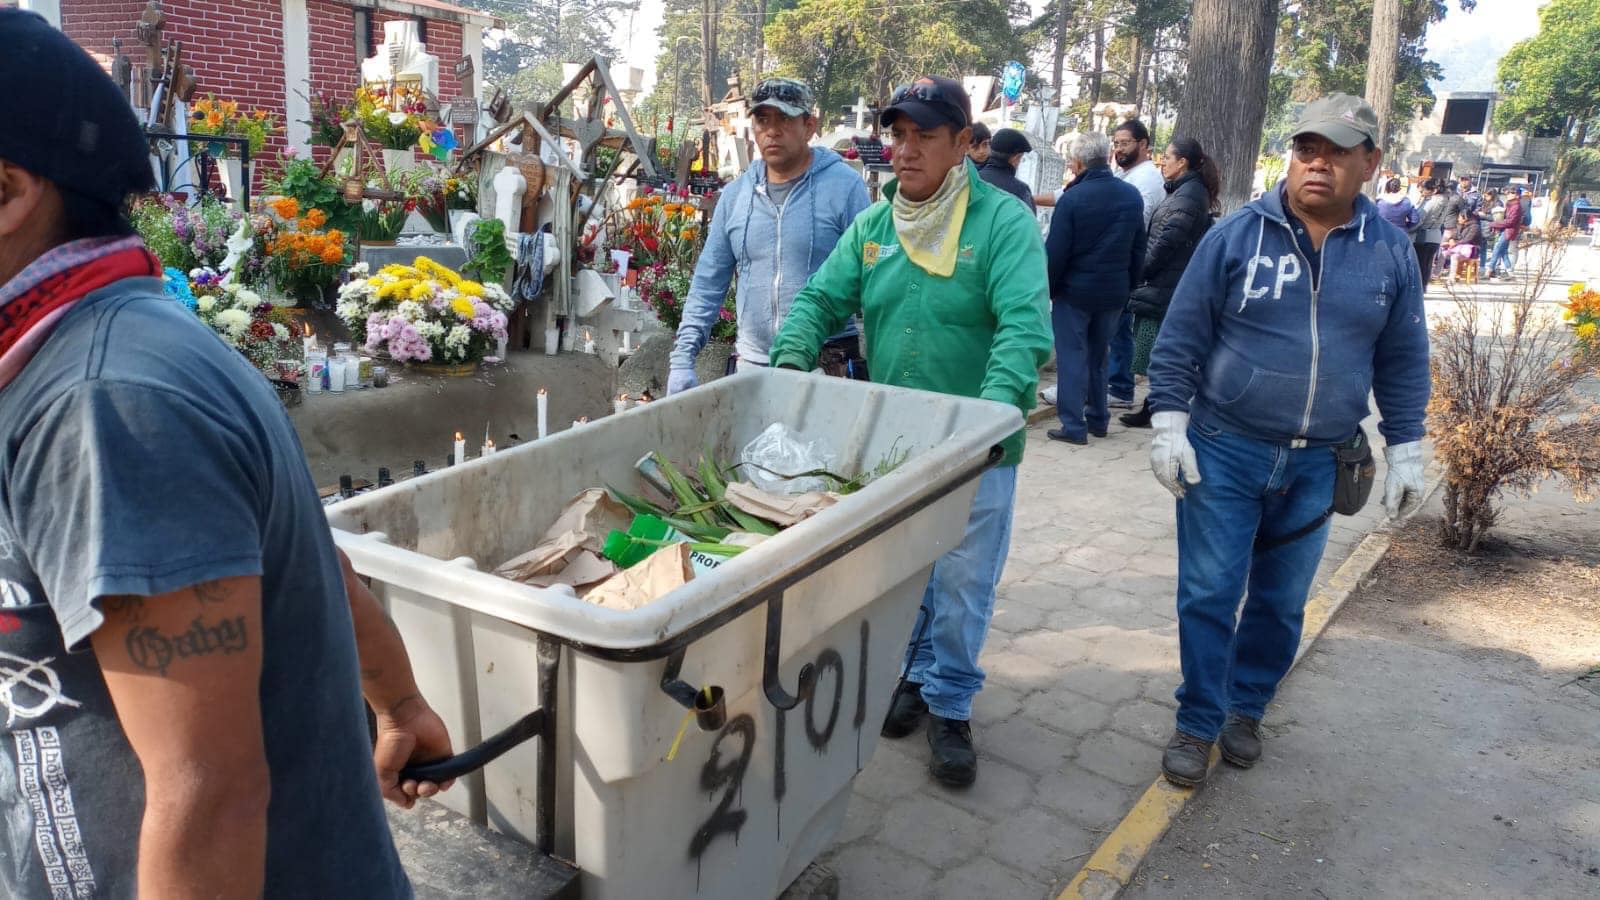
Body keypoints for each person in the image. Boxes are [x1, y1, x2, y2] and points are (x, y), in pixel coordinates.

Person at [0, 10, 452, 896]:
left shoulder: (105, 404)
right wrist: (397, 702)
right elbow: (309, 559)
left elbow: (209, 795)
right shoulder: (111, 345)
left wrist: (398, 703)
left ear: (8, 190)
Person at [768, 76, 1052, 788]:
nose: (906, 150)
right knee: (909, 573)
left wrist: (981, 424)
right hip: (897, 444)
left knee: (961, 583)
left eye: (925, 135)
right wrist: (785, 369)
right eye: (898, 134)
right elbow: (819, 300)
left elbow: (1023, 331)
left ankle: (951, 705)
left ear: (963, 144)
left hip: (977, 449)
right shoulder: (874, 227)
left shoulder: (1002, 224)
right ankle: (915, 676)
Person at [1144, 93, 1430, 787]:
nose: (1318, 164)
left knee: (1279, 601)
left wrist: (1409, 445)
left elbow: (1401, 358)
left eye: (1336, 152)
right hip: (1225, 449)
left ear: (1371, 163)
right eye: (1307, 149)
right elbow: (1182, 334)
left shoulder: (1390, 253)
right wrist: (1168, 422)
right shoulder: (1236, 234)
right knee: (1210, 592)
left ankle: (1245, 708)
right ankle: (1197, 719)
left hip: (1320, 461)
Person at [668, 78, 871, 392]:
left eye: (785, 119)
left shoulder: (844, 188)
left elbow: (869, 279)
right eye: (763, 120)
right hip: (753, 367)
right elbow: (709, 281)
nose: (772, 131)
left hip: (827, 367)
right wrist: (682, 359)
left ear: (810, 125)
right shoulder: (736, 196)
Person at [1043, 131, 1145, 445]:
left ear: (1077, 163)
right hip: (1114, 291)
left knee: (1073, 357)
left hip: (1074, 292)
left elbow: (1056, 252)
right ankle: (1099, 419)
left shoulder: (1073, 198)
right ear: (1107, 157)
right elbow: (1139, 248)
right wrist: (1130, 284)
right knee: (1100, 356)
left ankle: (1074, 426)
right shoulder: (1130, 196)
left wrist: (1050, 288)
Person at [1120, 136, 1221, 429]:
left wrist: (1141, 270)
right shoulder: (1184, 191)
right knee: (1155, 352)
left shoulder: (1189, 196)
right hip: (1165, 282)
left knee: (1159, 354)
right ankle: (1153, 405)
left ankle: (1160, 407)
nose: (1163, 162)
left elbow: (1167, 241)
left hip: (1167, 284)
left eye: (1168, 157)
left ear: (1183, 162)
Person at [1105, 119, 1168, 411]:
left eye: (1125, 143)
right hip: (1120, 260)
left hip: (1127, 262)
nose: (1119, 149)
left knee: (1119, 328)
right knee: (1114, 328)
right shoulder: (1126, 173)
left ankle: (1119, 386)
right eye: (1116, 143)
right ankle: (1115, 383)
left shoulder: (1147, 178)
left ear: (1143, 144)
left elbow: (1137, 222)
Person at [978, 128, 1037, 212]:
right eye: (1021, 159)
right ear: (1016, 158)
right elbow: (1029, 223)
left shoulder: (973, 179)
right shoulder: (1020, 191)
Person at [1411, 178, 1449, 284]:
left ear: (1434, 190)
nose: (1422, 193)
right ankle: (1423, 289)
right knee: (1427, 266)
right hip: (1436, 236)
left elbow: (1419, 220)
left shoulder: (1431, 202)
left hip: (1424, 236)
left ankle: (1418, 290)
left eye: (1424, 190)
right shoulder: (1445, 201)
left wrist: (1408, 229)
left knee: (1419, 266)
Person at [1486, 185, 1525, 279]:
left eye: (1512, 192)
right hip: (1505, 230)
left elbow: (1510, 221)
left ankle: (1489, 269)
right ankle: (1510, 272)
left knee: (1497, 248)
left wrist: (1494, 224)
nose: (1508, 194)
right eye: (1508, 192)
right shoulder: (1510, 204)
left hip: (1509, 231)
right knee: (1503, 252)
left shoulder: (1516, 206)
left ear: (1517, 195)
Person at [1442, 209, 1481, 283]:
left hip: (1472, 250)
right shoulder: (1460, 226)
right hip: (1460, 248)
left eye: (1460, 217)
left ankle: (1451, 279)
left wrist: (1455, 243)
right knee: (1443, 252)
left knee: (1454, 256)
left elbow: (1468, 239)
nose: (1458, 219)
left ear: (1465, 218)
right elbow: (1455, 236)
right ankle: (1437, 274)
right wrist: (1451, 240)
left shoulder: (1475, 227)